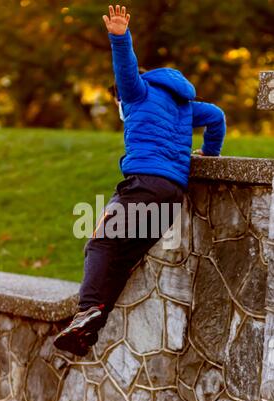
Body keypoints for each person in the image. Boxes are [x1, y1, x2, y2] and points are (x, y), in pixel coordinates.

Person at [54, 4, 226, 356]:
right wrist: (210, 154)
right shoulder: (184, 105)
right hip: (171, 197)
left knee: (100, 242)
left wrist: (119, 37)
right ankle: (88, 329)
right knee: (119, 259)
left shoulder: (136, 91)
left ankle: (87, 311)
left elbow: (126, 69)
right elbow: (218, 117)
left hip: (144, 186)